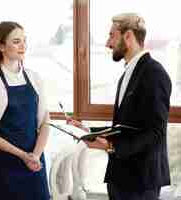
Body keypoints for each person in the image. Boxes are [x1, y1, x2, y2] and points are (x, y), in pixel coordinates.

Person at [68, 13, 172, 200]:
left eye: (111, 36)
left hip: (141, 183)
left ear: (128, 36)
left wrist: (112, 146)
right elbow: (127, 126)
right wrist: (89, 130)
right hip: (120, 178)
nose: (108, 43)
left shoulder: (154, 74)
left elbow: (155, 132)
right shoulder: (128, 74)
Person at [0, 21, 50, 200]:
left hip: (35, 165)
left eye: (24, 40)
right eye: (16, 41)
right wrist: (24, 156)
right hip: (4, 168)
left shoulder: (35, 78)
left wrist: (35, 155)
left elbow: (45, 123)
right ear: (1, 46)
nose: (23, 46)